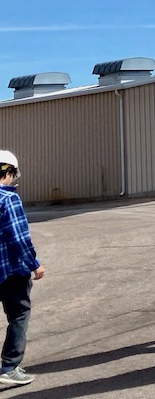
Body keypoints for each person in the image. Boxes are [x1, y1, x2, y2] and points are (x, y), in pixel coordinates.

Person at [0, 151, 43, 388]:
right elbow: (19, 238)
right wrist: (34, 265)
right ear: (8, 173)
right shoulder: (8, 199)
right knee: (18, 314)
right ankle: (9, 366)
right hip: (10, 271)